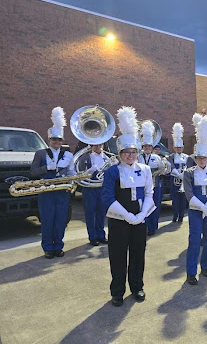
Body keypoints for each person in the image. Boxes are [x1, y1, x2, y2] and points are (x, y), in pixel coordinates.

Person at [102, 106, 155, 306]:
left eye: (134, 152)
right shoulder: (112, 172)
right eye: (126, 152)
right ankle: (117, 291)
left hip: (140, 219)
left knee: (138, 255)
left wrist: (142, 215)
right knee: (117, 256)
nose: (130, 155)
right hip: (118, 220)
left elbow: (150, 193)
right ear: (120, 153)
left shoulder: (146, 169)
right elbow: (107, 198)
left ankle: (137, 286)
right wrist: (127, 216)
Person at [30, 107, 76, 259]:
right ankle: (48, 247)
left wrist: (73, 179)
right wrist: (45, 168)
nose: (56, 142)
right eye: (54, 139)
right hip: (46, 191)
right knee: (48, 220)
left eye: (59, 140)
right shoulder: (40, 153)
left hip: (62, 191)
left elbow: (71, 172)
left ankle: (58, 246)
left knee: (61, 220)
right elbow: (33, 172)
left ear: (62, 141)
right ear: (49, 140)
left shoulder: (68, 155)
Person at [183, 114, 207, 285]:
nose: (202, 160)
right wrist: (201, 207)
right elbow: (189, 193)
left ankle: (205, 266)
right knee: (194, 239)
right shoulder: (189, 172)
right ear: (195, 159)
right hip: (196, 209)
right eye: (199, 158)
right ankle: (191, 271)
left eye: (204, 158)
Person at [76, 142, 110, 246]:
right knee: (90, 213)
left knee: (101, 212)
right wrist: (88, 172)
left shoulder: (107, 157)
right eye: (96, 145)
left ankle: (101, 234)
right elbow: (79, 173)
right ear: (91, 146)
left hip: (102, 187)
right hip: (89, 187)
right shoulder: (85, 157)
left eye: (100, 144)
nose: (98, 146)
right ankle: (92, 236)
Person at [138, 121, 167, 236]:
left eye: (149, 146)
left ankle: (153, 226)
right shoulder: (138, 157)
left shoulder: (157, 157)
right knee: (143, 205)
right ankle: (143, 224)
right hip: (142, 184)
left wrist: (164, 166)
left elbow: (164, 170)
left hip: (156, 183)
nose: (147, 148)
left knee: (155, 205)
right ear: (143, 147)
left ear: (152, 147)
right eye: (145, 146)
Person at [169, 123, 188, 223]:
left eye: (180, 148)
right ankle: (175, 215)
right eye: (177, 148)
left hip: (183, 181)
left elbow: (189, 166)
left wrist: (184, 174)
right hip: (175, 181)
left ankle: (181, 216)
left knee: (183, 200)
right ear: (174, 148)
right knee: (175, 200)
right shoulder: (171, 156)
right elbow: (170, 165)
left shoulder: (187, 157)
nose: (179, 149)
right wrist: (177, 174)